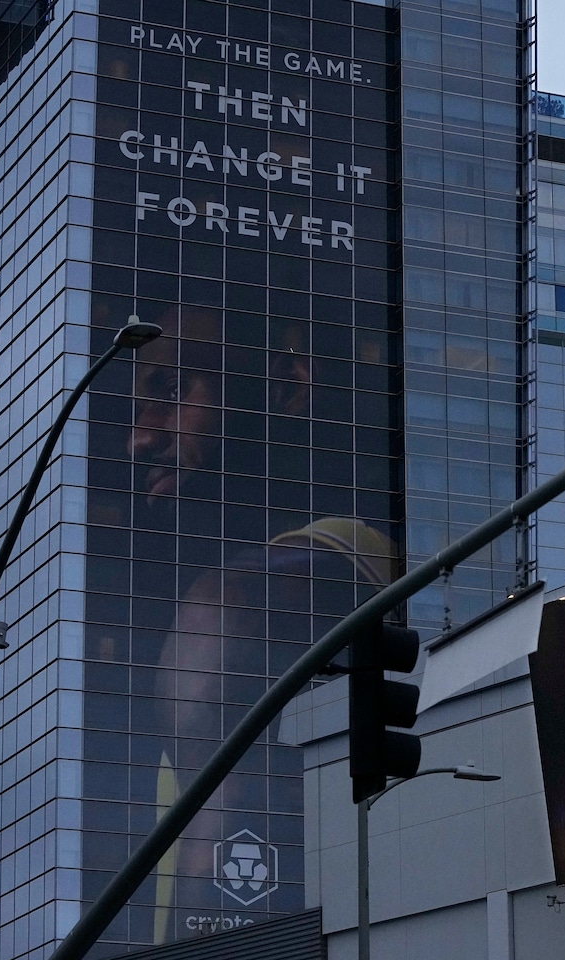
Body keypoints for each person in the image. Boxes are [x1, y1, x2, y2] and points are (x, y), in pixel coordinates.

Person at [114, 305, 400, 940]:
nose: (141, 436)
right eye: (137, 410)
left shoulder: (246, 594)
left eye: (171, 392)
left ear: (285, 385)